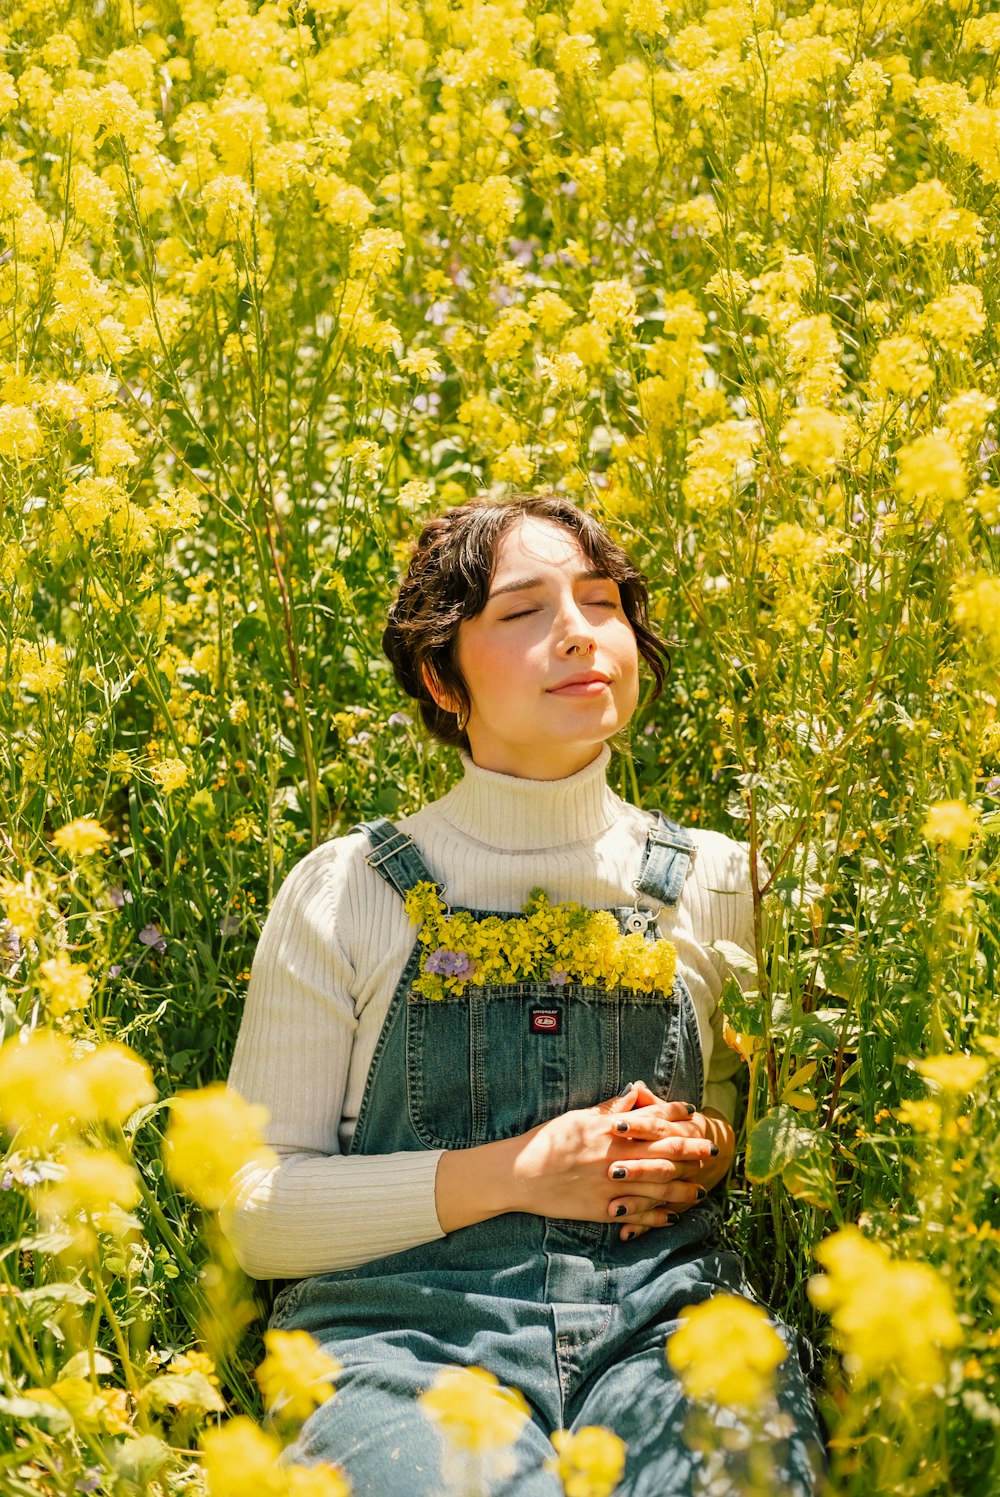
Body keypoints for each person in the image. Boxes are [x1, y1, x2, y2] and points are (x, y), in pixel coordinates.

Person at [224, 493, 824, 1495]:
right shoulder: (349, 891)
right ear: (438, 676)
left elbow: (760, 1129)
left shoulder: (724, 882)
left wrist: (704, 1149)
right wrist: (517, 1171)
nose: (579, 634)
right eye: (522, 613)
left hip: (666, 1328)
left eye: (601, 604)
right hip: (397, 1342)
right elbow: (256, 1208)